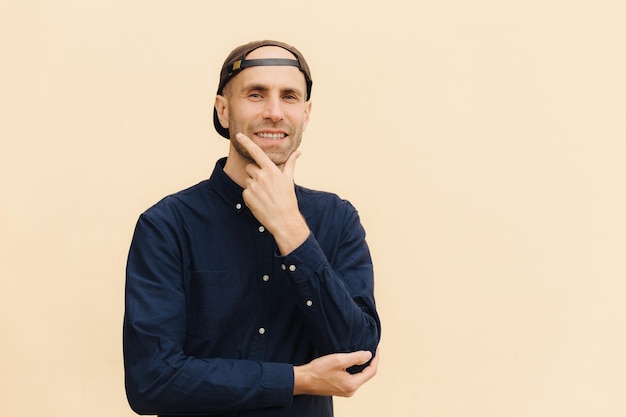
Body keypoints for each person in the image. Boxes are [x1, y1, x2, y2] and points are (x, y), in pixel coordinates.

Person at [123, 40, 381, 417]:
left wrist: (293, 232)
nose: (274, 112)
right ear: (223, 110)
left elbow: (358, 357)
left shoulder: (337, 220)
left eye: (289, 96)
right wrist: (298, 380)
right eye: (256, 94)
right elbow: (151, 381)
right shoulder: (166, 226)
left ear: (306, 114)